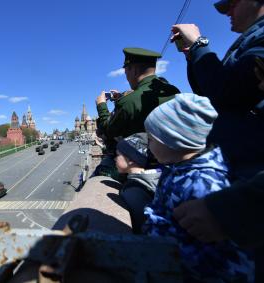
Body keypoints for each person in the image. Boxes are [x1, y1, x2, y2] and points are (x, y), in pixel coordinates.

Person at [142, 93, 254, 282]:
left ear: (173, 140)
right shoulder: (176, 167)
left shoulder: (203, 183)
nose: (147, 144)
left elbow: (223, 259)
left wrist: (165, 256)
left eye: (151, 139)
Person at [171, 0, 264, 180]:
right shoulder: (250, 40)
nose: (226, 11)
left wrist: (199, 44)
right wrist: (193, 54)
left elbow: (229, 94)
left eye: (233, 3)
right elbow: (210, 92)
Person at [94, 47, 179, 178]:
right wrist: (121, 99)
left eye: (126, 71)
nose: (126, 76)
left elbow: (108, 131)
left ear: (133, 70)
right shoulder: (172, 90)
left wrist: (101, 106)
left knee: (101, 172)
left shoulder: (130, 102)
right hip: (173, 162)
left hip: (143, 166)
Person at [114, 132, 161, 234]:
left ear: (130, 159)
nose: (114, 158)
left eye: (118, 155)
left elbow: (140, 227)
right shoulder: (155, 177)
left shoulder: (133, 191)